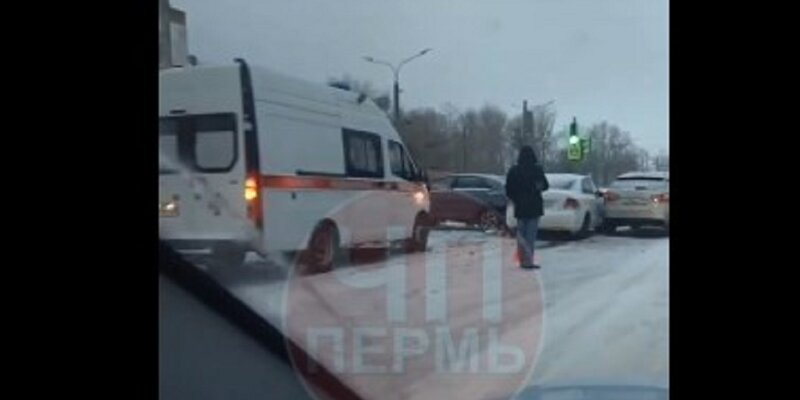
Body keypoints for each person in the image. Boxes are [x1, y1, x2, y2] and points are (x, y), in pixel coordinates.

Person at [505, 145, 549, 269]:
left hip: (520, 207)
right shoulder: (537, 170)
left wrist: (516, 199)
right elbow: (545, 186)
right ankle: (528, 261)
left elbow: (508, 189)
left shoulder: (514, 171)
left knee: (521, 235)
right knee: (530, 235)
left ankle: (522, 259)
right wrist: (535, 187)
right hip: (534, 207)